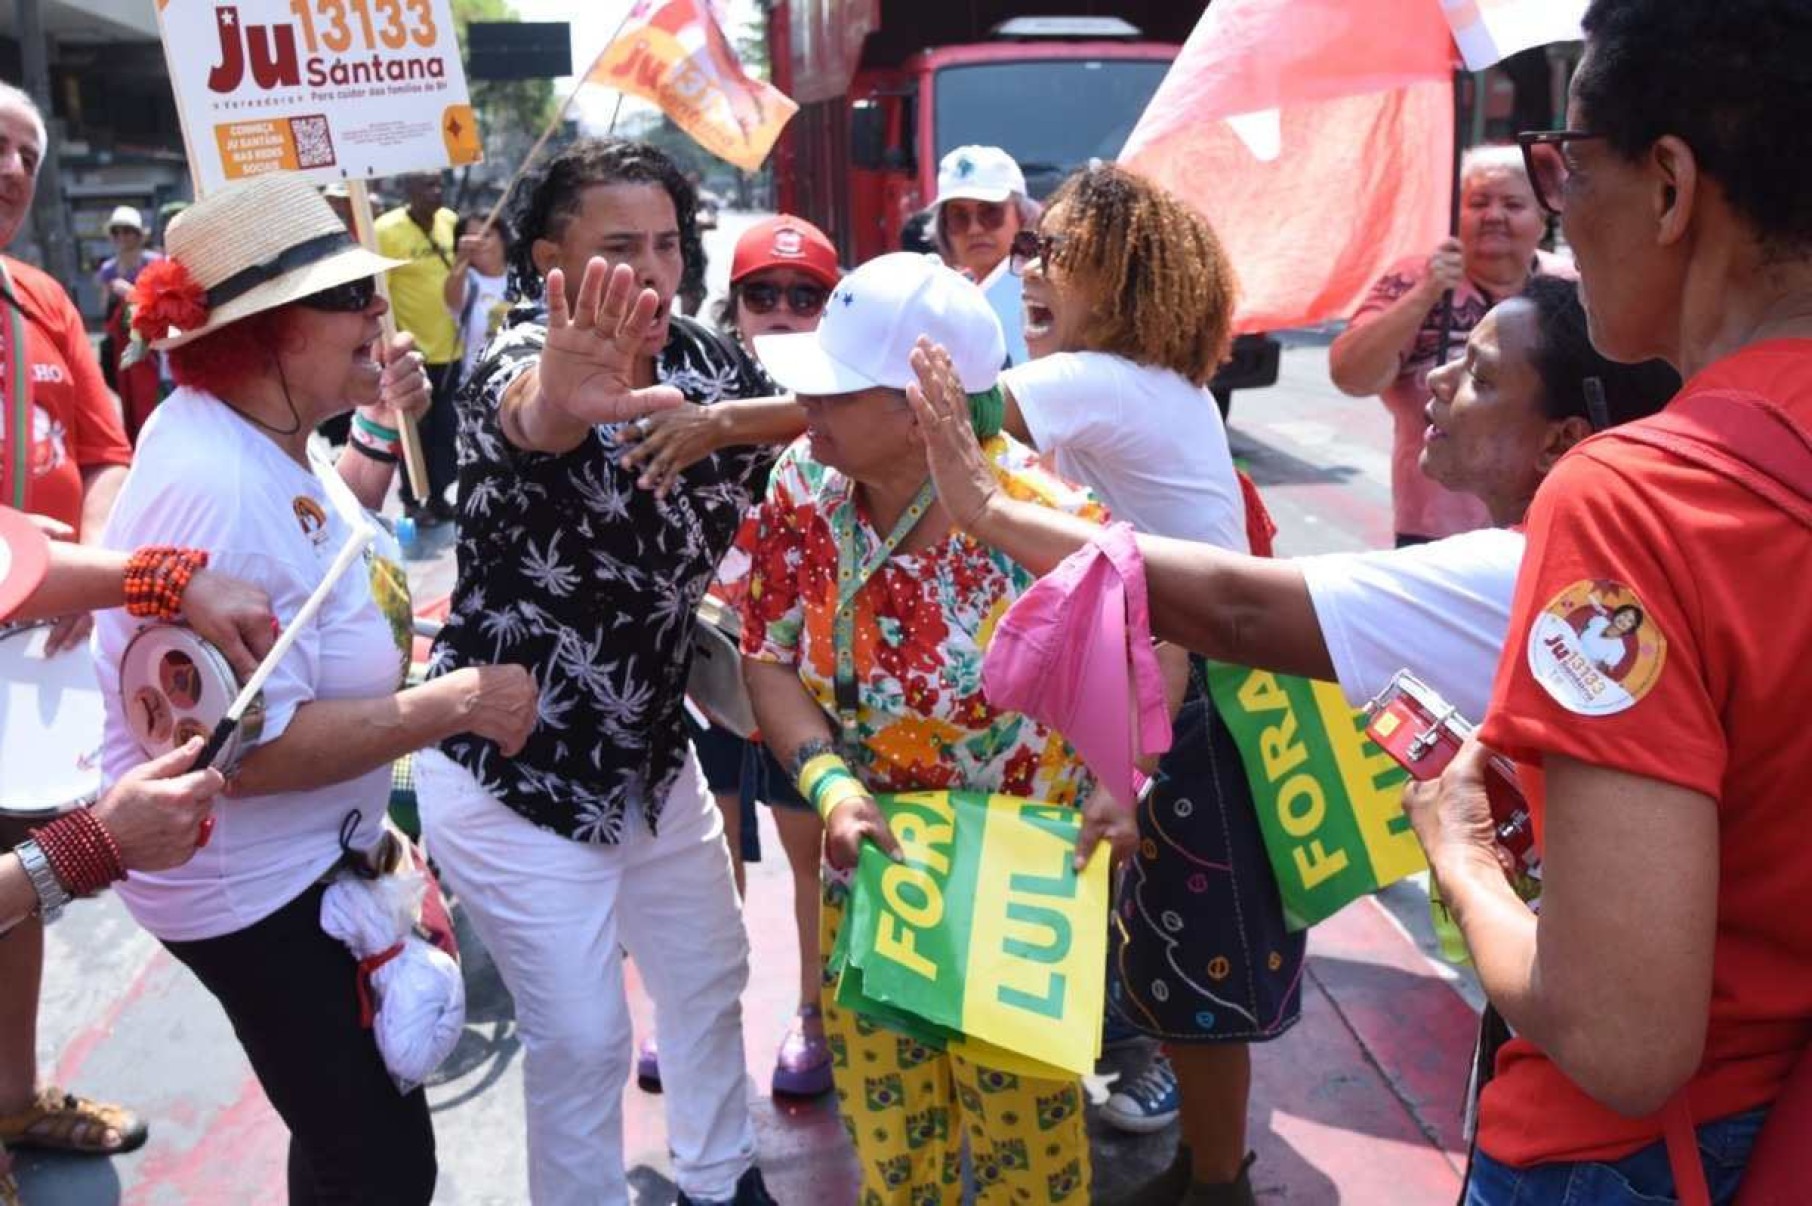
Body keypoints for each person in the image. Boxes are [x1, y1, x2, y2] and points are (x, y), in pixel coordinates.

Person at [904, 271, 1680, 1206]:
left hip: (1599, 1110)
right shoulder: (1571, 562)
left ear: (1561, 439)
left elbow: (1233, 606)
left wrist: (987, 509)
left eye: (1477, 376)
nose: (1433, 381)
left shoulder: (1521, 571)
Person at [1406, 3, 1812, 1200]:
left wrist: (1463, 857)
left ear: (1673, 187)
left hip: (1654, 1155)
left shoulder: (1636, 500)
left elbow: (1625, 1041)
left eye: (1568, 164)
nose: (1560, 210)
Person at [91, 170, 539, 1205]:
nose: (379, 311)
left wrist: (379, 423)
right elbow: (242, 755)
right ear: (264, 331)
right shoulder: (216, 483)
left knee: (352, 1137)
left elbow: (333, 542)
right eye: (348, 297)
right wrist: (460, 701)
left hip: (304, 868)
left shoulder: (263, 437)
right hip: (250, 889)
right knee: (377, 1160)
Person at [413, 137, 796, 1206]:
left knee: (709, 978)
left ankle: (722, 1181)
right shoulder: (517, 363)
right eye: (619, 248)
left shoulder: (714, 362)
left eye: (669, 245)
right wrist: (559, 397)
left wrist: (725, 419)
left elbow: (832, 427)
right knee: (583, 1036)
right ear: (550, 260)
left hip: (651, 759)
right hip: (511, 773)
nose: (652, 272)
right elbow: (526, 413)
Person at [741, 250, 1113, 1206]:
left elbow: (1157, 640)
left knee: (1027, 1156)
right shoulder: (804, 489)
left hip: (1018, 892)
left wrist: (1125, 777)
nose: (805, 408)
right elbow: (766, 652)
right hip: (873, 869)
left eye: (832, 391)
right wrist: (831, 787)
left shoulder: (1043, 518)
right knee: (894, 1146)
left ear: (924, 404)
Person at [0, 80, 141, 1172]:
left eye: (26, 154)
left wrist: (86, 577)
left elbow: (105, 450)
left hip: (35, 656)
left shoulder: (43, 298)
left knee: (18, 881)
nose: (12, 169)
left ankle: (9, 1098)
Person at [673, 212, 840, 1100]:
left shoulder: (848, 399)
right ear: (733, 305)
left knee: (808, 849)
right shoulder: (687, 389)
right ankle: (705, 1018)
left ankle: (812, 1010)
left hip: (804, 677)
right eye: (762, 295)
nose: (782, 310)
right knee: (708, 850)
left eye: (804, 296)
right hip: (702, 666)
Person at [1330, 145, 1571, 546]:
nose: (1494, 216)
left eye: (1512, 204)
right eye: (1478, 202)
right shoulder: (1414, 279)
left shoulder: (1570, 286)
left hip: (1549, 523)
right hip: (1433, 530)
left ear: (1542, 218)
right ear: (1454, 213)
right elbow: (1351, 375)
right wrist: (1426, 292)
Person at [376, 171, 460, 525]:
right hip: (412, 351)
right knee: (414, 433)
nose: (436, 192)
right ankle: (412, 502)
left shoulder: (450, 221)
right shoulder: (383, 230)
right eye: (428, 186)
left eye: (440, 184)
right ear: (408, 190)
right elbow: (380, 292)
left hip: (452, 348)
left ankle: (440, 497)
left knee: (445, 429)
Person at [929, 145, 1040, 367]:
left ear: (1022, 216)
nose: (974, 229)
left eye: (990, 213)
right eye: (958, 217)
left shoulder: (1042, 290)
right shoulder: (943, 293)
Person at [95, 205, 165, 441]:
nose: (122, 237)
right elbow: (106, 310)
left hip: (153, 342)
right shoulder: (108, 270)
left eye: (128, 231)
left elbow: (165, 304)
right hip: (122, 345)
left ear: (138, 234)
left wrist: (132, 293)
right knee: (127, 400)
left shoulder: (155, 263)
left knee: (154, 398)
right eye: (117, 232)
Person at [443, 214, 512, 383]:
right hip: (478, 390)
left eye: (486, 235)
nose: (478, 243)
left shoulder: (526, 279)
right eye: (470, 238)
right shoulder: (467, 282)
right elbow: (451, 297)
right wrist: (461, 259)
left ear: (502, 239)